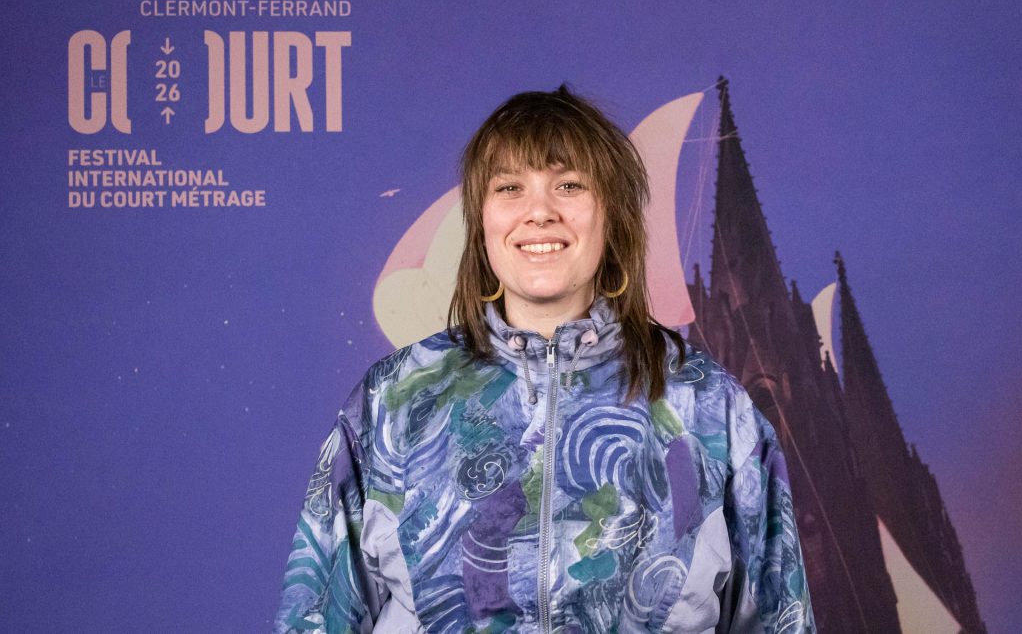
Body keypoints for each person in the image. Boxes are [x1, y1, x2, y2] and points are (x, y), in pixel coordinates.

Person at [274, 86, 815, 633]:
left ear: (612, 213)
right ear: (481, 220)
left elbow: (779, 618)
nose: (539, 212)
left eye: (569, 185)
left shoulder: (709, 405)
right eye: (510, 187)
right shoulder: (393, 400)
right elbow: (313, 617)